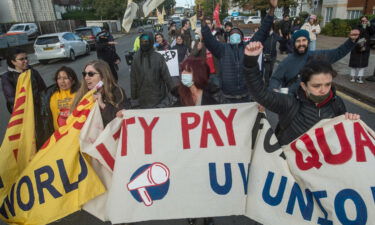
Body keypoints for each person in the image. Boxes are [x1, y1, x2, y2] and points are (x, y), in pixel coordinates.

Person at [243, 41, 360, 145]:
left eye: (328, 84)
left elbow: (343, 136)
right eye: (316, 86)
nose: (323, 90)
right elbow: (261, 94)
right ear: (304, 86)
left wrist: (350, 122)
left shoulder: (337, 103)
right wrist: (250, 63)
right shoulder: (289, 103)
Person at [175, 57, 222, 225]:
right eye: (182, 71)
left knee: (207, 184)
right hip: (186, 153)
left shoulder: (214, 96)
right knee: (189, 185)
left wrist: (255, 110)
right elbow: (163, 119)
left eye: (187, 71)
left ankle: (208, 215)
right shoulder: (178, 96)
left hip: (207, 152)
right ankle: (192, 213)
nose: (183, 74)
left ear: (198, 73)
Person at [200, 0, 278, 103]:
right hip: (226, 98)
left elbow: (263, 31)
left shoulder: (248, 47)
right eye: (232, 34)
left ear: (241, 38)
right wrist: (202, 21)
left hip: (246, 97)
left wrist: (272, 9)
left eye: (237, 34)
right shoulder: (222, 49)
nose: (234, 35)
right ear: (229, 38)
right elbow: (209, 39)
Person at [268, 29, 359, 94]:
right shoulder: (286, 62)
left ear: (308, 42)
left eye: (304, 40)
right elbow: (276, 78)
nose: (301, 44)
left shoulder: (317, 56)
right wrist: (273, 90)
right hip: (292, 103)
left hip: (312, 104)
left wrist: (351, 41)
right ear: (293, 43)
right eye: (298, 41)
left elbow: (338, 52)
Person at [1, 48, 47, 149]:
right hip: (22, 114)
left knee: (41, 136)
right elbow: (11, 98)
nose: (25, 61)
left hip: (38, 111)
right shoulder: (7, 77)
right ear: (13, 62)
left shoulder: (33, 72)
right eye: (21, 59)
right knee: (28, 140)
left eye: (26, 58)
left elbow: (43, 89)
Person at [71, 60, 130, 127]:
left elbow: (122, 120)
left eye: (91, 74)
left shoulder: (117, 92)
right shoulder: (82, 94)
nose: (86, 78)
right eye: (84, 74)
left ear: (103, 77)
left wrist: (102, 105)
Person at [130, 32, 176, 109]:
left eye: (146, 41)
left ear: (151, 41)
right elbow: (133, 80)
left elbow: (167, 77)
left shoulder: (158, 57)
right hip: (143, 100)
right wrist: (134, 99)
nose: (144, 43)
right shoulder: (136, 58)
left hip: (158, 100)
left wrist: (173, 92)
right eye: (142, 41)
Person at [42, 66, 80, 134]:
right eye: (59, 78)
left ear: (73, 81)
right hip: (58, 134)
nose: (62, 81)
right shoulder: (51, 96)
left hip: (75, 132)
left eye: (65, 78)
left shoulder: (80, 94)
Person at [348, 16, 375, 84]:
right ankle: (353, 76)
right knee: (354, 62)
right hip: (356, 46)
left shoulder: (369, 27)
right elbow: (356, 34)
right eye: (363, 21)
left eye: (365, 21)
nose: (364, 22)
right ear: (360, 21)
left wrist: (369, 26)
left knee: (363, 62)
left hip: (366, 46)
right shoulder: (357, 27)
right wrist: (363, 27)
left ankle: (360, 77)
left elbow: (372, 32)